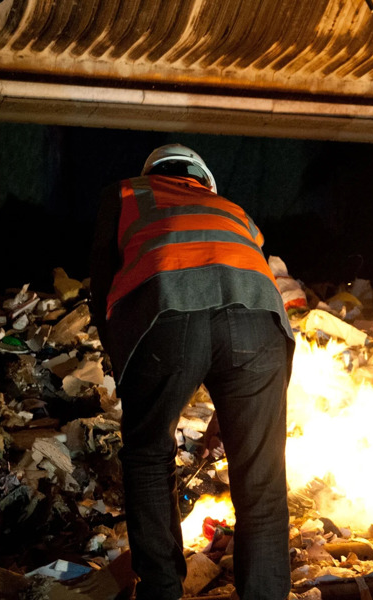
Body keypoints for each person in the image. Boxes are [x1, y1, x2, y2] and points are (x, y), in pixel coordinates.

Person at [89, 144, 294, 600]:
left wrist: (130, 375)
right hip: (260, 323)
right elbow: (254, 289)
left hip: (165, 313)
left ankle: (161, 591)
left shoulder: (124, 194)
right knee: (261, 479)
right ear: (203, 181)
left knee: (147, 456)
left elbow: (102, 289)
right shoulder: (234, 211)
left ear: (153, 173)